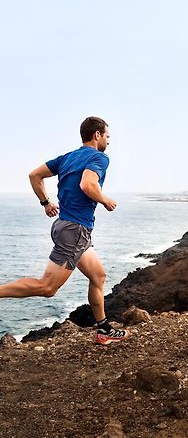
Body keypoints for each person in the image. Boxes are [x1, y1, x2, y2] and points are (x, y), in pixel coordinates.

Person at [0, 116, 129, 345]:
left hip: (66, 226)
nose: (109, 141)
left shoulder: (68, 157)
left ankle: (103, 329)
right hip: (74, 230)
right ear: (97, 135)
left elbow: (34, 175)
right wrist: (105, 200)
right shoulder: (99, 157)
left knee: (98, 275)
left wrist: (46, 202)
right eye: (107, 136)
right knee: (48, 287)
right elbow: (87, 185)